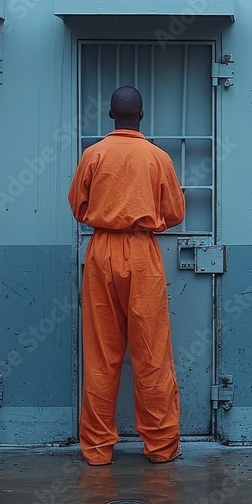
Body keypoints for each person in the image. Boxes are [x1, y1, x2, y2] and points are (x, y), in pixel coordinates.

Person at [68, 85, 185, 465]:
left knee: (102, 355)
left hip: (101, 250)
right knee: (151, 353)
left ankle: (98, 449)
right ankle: (161, 446)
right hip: (143, 252)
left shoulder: (93, 155)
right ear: (142, 116)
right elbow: (176, 212)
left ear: (110, 116)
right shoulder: (157, 157)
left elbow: (77, 205)